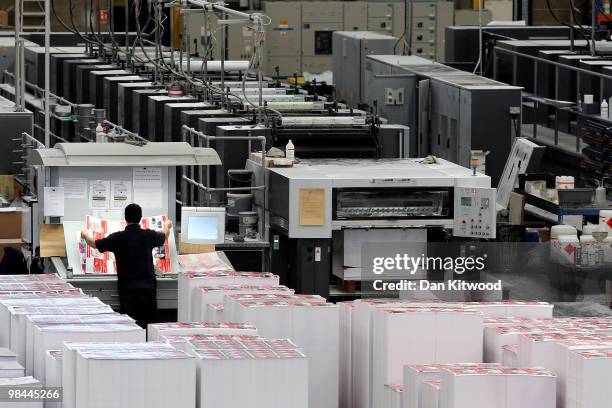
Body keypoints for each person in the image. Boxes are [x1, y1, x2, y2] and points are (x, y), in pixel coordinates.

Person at [80, 203, 172, 328]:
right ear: (140, 217)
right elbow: (164, 236)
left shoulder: (117, 237)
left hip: (128, 290)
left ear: (125, 218)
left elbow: (94, 244)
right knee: (150, 326)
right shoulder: (149, 235)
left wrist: (85, 234)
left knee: (131, 326)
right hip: (148, 289)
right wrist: (167, 225)